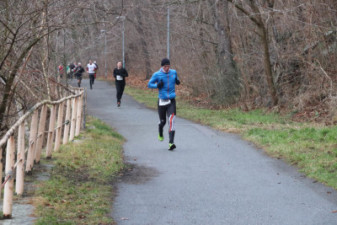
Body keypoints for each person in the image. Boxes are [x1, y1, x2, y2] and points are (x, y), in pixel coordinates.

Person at [148, 58, 180, 151]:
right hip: (162, 101)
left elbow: (176, 79)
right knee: (163, 122)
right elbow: (149, 84)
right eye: (165, 66)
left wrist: (178, 81)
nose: (167, 68)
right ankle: (160, 130)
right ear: (162, 66)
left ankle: (171, 143)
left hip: (171, 100)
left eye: (168, 66)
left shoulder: (173, 72)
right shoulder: (157, 74)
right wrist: (157, 85)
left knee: (171, 120)